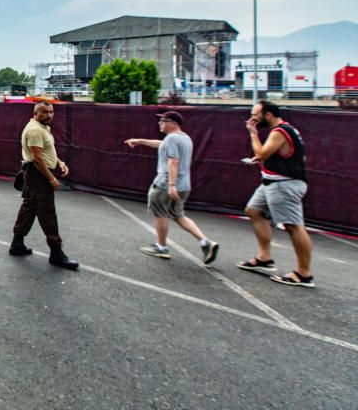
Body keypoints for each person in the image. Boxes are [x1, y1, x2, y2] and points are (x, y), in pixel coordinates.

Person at [237, 100, 314, 288]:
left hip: (284, 185)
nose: (252, 118)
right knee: (254, 210)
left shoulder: (280, 131)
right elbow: (274, 155)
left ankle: (304, 273)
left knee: (293, 225)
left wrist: (253, 134)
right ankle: (264, 259)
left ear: (268, 115)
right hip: (271, 182)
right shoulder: (286, 130)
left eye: (255, 114)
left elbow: (262, 153)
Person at [125, 111, 219, 264]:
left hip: (165, 185)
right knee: (178, 215)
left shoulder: (172, 138)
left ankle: (161, 247)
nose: (159, 123)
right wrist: (140, 141)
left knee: (160, 214)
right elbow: (161, 145)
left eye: (163, 120)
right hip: (184, 186)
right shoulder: (184, 138)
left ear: (174, 123)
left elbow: (173, 162)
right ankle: (205, 242)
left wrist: (171, 186)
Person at [8, 101, 80, 270]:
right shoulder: (34, 130)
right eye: (45, 112)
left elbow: (47, 153)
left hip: (35, 173)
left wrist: (59, 162)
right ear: (35, 113)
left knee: (28, 209)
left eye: (51, 112)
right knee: (47, 213)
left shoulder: (42, 127)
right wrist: (52, 179)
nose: (49, 115)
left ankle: (17, 244)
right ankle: (56, 253)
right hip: (37, 174)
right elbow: (37, 158)